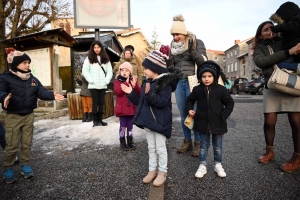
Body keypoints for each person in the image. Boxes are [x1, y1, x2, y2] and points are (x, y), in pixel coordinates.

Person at [0, 48, 64, 184]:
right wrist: (4, 97)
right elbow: (1, 91)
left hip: (29, 115)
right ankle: (8, 168)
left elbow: (41, 92)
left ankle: (25, 165)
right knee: (11, 144)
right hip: (13, 116)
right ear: (15, 64)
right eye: (24, 62)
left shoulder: (32, 78)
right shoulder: (5, 77)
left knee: (27, 143)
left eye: (28, 62)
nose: (28, 65)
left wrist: (52, 95)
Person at [121, 50, 183, 187]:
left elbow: (161, 102)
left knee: (160, 148)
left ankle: (162, 172)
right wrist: (131, 93)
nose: (144, 71)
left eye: (146, 68)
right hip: (149, 122)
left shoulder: (165, 84)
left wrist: (149, 95)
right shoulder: (147, 82)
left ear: (155, 69)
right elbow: (140, 101)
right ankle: (152, 170)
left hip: (160, 123)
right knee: (151, 148)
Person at [252, 21, 300, 172]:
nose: (270, 31)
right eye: (265, 30)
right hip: (272, 84)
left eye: (272, 28)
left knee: (296, 122)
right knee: (269, 122)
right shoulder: (259, 48)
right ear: (260, 34)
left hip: (291, 83)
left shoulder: (286, 39)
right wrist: (288, 52)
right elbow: (262, 62)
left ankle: (297, 157)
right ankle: (269, 151)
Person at [167, 14, 207, 156]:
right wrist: (167, 58)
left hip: (193, 82)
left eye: (177, 34)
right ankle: (187, 141)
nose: (175, 37)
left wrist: (192, 52)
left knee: (194, 112)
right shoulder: (172, 47)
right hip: (179, 83)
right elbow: (171, 69)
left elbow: (204, 61)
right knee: (184, 113)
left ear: (183, 32)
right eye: (173, 35)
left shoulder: (196, 42)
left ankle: (197, 143)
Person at [186, 61, 234, 178]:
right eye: (203, 76)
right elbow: (189, 100)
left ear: (215, 76)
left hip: (219, 124)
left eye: (209, 76)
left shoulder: (221, 90)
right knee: (203, 146)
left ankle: (218, 165)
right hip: (202, 123)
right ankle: (202, 165)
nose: (206, 79)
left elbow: (229, 103)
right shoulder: (197, 90)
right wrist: (190, 109)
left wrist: (223, 115)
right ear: (200, 77)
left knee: (218, 146)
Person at [82, 41, 113, 127]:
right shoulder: (89, 58)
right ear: (92, 48)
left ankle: (100, 119)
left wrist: (106, 81)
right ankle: (95, 120)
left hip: (103, 85)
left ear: (101, 48)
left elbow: (110, 71)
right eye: (95, 47)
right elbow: (85, 71)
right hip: (93, 85)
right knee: (95, 102)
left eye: (98, 47)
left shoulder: (105, 58)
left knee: (101, 102)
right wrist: (91, 80)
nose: (96, 49)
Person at [114, 62, 141, 151]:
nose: (124, 72)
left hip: (131, 109)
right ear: (120, 71)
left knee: (130, 126)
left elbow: (139, 92)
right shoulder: (117, 82)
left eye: (127, 71)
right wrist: (125, 83)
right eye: (123, 70)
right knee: (123, 126)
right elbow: (118, 92)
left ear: (130, 73)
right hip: (122, 109)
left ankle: (130, 141)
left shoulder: (132, 81)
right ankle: (122, 142)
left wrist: (135, 86)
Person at [270, 1, 300, 72]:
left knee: (279, 65)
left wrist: (277, 28)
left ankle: (297, 67)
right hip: (292, 52)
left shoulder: (296, 20)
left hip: (295, 51)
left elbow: (291, 27)